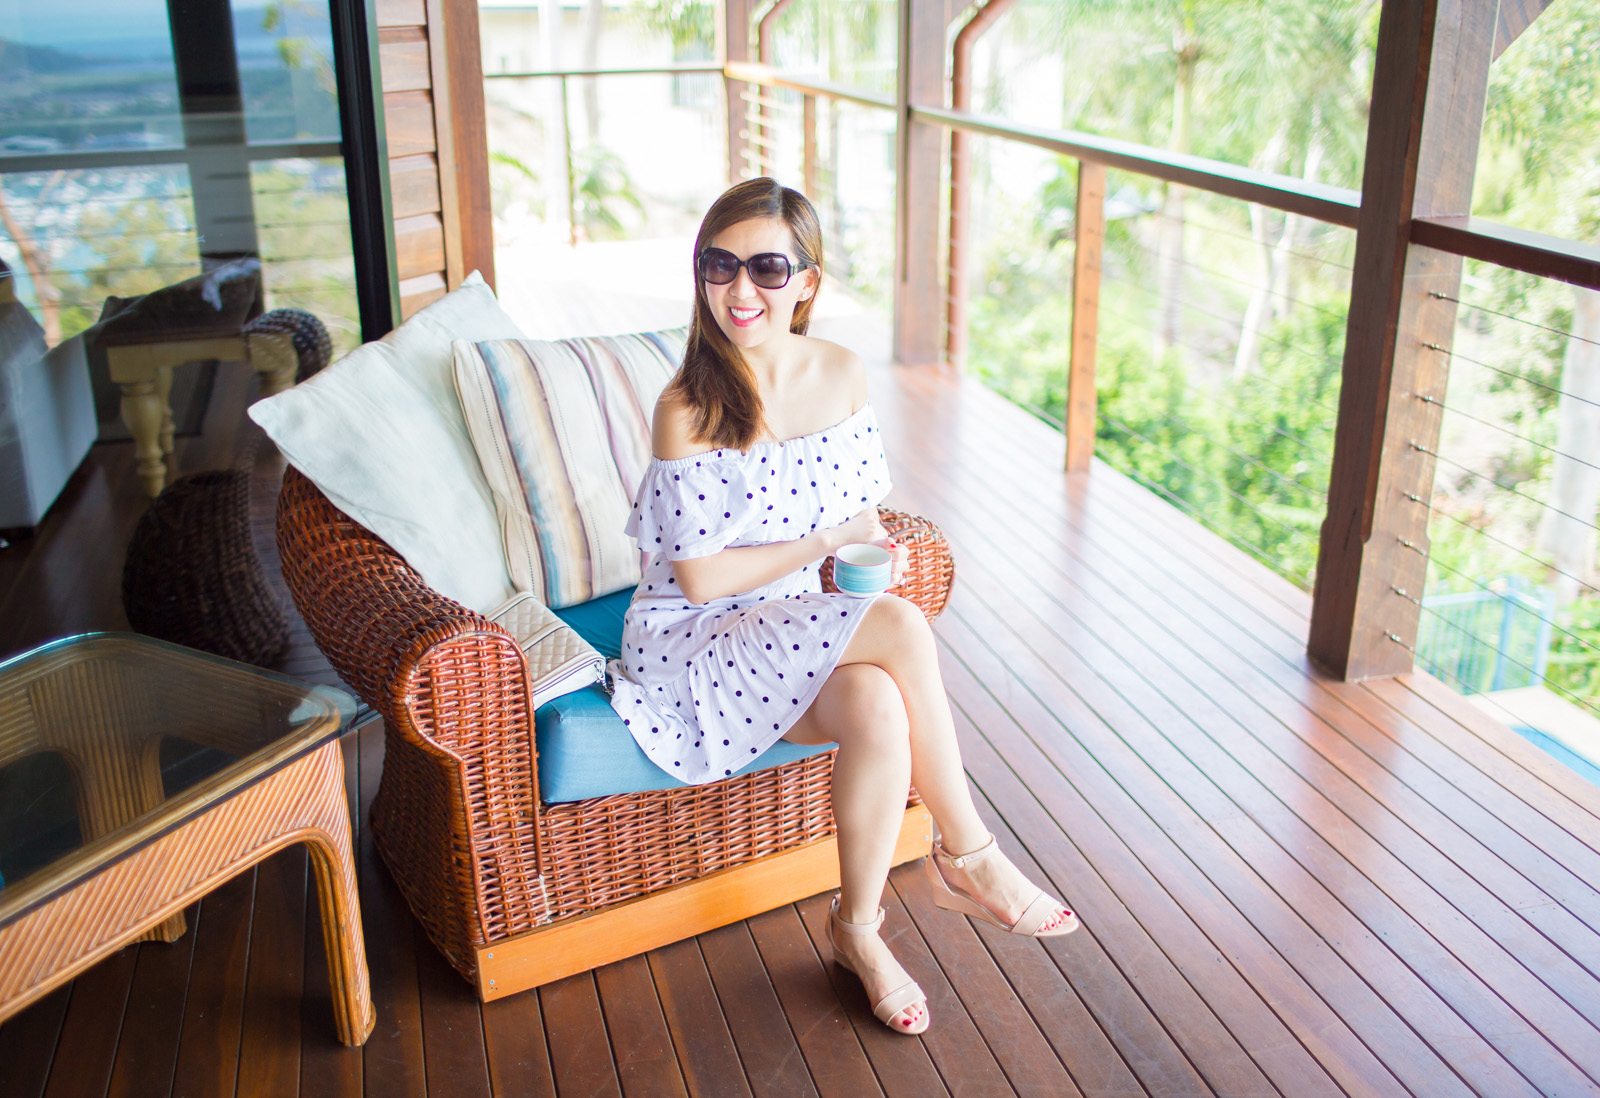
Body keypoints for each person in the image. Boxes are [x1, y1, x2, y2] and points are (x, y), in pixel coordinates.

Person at [609, 177, 1076, 1035]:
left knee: (876, 702)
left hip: (781, 625)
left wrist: (866, 547)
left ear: (808, 282)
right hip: (692, 643)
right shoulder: (687, 407)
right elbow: (703, 581)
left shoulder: (842, 372)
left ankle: (857, 931)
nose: (739, 289)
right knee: (897, 626)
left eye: (766, 267)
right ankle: (969, 854)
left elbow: (858, 515)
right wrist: (828, 547)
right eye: (720, 265)